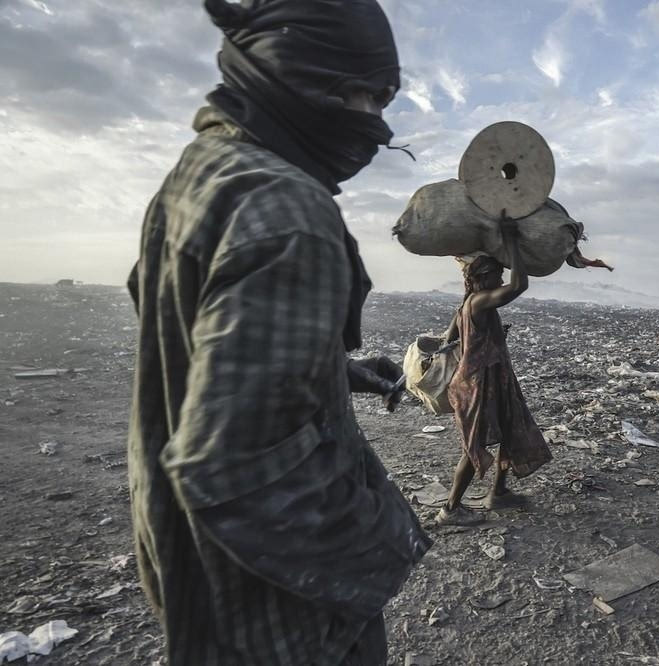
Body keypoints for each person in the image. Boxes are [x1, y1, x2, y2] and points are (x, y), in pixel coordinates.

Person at [125, 1, 431, 664]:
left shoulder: (203, 173)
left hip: (188, 557)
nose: (376, 124)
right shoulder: (288, 207)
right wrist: (385, 535)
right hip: (274, 606)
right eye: (361, 95)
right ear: (299, 74)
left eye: (384, 100)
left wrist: (327, 367)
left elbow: (184, 317)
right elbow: (235, 468)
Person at [435, 217, 554, 525]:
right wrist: (511, 240)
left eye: (501, 274)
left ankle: (498, 493)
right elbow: (520, 284)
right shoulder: (479, 301)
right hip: (478, 385)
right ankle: (450, 509)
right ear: (480, 279)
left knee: (508, 433)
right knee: (473, 447)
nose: (501, 280)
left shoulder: (467, 304)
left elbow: (451, 338)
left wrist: (490, 339)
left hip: (490, 379)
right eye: (496, 275)